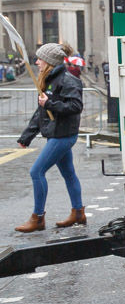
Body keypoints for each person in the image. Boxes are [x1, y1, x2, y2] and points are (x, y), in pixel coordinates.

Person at [15, 43, 86, 233]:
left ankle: (38, 218)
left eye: (39, 58)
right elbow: (40, 114)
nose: (36, 62)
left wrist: (51, 103)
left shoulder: (69, 80)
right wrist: (26, 137)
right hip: (56, 133)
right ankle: (78, 213)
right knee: (69, 174)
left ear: (49, 62)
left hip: (63, 135)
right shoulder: (48, 79)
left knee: (36, 172)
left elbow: (76, 107)